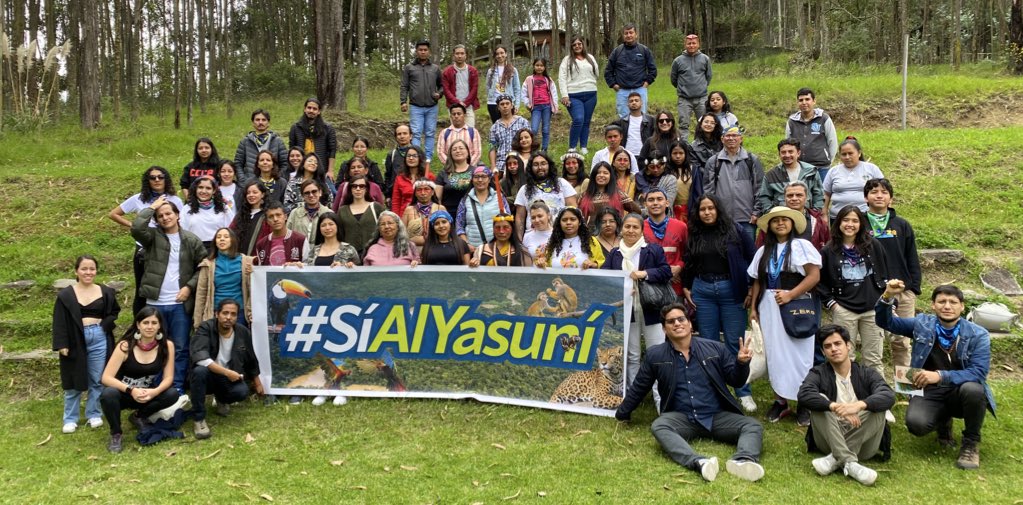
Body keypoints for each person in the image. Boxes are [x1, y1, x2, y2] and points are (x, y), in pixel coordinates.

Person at [615, 304, 763, 483]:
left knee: (753, 426)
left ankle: (742, 461)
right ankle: (699, 462)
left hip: (716, 417)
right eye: (670, 321)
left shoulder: (715, 348)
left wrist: (741, 364)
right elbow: (640, 386)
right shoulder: (655, 355)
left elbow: (736, 381)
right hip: (682, 419)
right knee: (659, 426)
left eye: (681, 319)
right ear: (664, 329)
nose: (677, 323)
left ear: (690, 324)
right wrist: (622, 413)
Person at [876, 282, 996, 470]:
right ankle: (943, 422)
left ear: (962, 306)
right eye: (941, 301)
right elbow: (886, 322)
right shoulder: (922, 323)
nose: (947, 306)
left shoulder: (978, 334)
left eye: (953, 302)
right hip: (927, 390)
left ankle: (970, 443)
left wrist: (939, 376)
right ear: (933, 305)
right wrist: (887, 296)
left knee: (974, 389)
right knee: (916, 425)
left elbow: (978, 372)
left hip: (959, 391)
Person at [682, 194, 757, 411]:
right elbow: (689, 261)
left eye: (711, 208)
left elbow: (753, 258)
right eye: (702, 209)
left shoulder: (736, 230)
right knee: (708, 343)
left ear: (718, 209)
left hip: (731, 290)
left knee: (736, 342)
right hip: (703, 291)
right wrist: (687, 286)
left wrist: (751, 287)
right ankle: (714, 390)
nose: (706, 213)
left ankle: (743, 391)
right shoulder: (694, 233)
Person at [748, 206, 822, 426]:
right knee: (775, 353)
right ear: (769, 226)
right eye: (775, 220)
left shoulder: (801, 246)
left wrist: (791, 295)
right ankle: (780, 401)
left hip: (795, 303)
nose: (780, 223)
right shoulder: (763, 251)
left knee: (800, 354)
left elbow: (814, 275)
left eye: (784, 220)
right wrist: (753, 308)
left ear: (792, 224)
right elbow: (757, 281)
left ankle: (805, 403)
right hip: (768, 306)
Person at [797, 324, 895, 486]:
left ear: (848, 346)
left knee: (876, 406)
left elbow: (888, 395)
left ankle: (836, 459)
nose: (833, 349)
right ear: (823, 352)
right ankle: (850, 463)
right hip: (829, 440)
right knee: (820, 400)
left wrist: (859, 405)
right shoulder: (818, 373)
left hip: (864, 444)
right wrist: (834, 406)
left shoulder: (866, 373)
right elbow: (804, 395)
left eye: (838, 344)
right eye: (828, 346)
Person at [131, 197, 207, 395]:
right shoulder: (152, 237)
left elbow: (204, 267)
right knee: (155, 346)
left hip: (180, 304)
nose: (165, 218)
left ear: (177, 215)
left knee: (180, 347)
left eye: (168, 214)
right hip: (155, 303)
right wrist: (152, 207)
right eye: (160, 216)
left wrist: (189, 287)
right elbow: (137, 228)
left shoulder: (191, 240)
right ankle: (155, 386)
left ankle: (177, 387)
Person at [603, 213, 672, 408]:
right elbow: (604, 276)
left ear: (642, 230)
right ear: (621, 229)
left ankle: (660, 399)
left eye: (635, 227)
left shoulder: (653, 250)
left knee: (656, 354)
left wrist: (645, 274)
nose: (631, 230)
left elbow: (666, 271)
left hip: (652, 310)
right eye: (627, 227)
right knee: (632, 355)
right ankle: (634, 396)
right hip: (628, 312)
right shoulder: (615, 254)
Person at [817, 206, 889, 379]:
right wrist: (832, 304)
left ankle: (878, 400)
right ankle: (847, 398)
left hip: (873, 309)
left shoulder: (873, 245)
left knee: (873, 358)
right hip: (844, 310)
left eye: (855, 221)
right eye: (846, 220)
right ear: (839, 223)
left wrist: (887, 301)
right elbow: (819, 281)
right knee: (844, 357)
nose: (850, 224)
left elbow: (885, 272)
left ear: (861, 224)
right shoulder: (828, 250)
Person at [53, 255, 121, 433]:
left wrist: (105, 326)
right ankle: (70, 418)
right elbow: (59, 321)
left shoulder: (106, 292)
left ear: (96, 271)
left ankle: (94, 414)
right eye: (84, 269)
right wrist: (62, 344)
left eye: (92, 269)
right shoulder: (65, 295)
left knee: (97, 379)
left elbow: (114, 311)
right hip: (75, 339)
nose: (88, 272)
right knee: (73, 379)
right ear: (76, 271)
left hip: (99, 336)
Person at [99, 307, 180, 453]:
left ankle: (139, 416)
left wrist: (155, 392)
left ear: (159, 325)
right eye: (146, 322)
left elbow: (168, 378)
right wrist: (132, 390)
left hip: (147, 393)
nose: (150, 327)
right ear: (138, 325)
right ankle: (116, 433)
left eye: (154, 323)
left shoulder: (167, 346)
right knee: (108, 394)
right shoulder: (125, 346)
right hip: (124, 393)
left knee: (172, 394)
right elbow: (106, 378)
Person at [108, 166, 184, 315]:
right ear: (147, 180)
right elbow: (114, 214)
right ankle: (138, 326)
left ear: (166, 179)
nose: (157, 180)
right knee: (142, 289)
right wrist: (132, 225)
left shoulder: (175, 199)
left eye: (160, 177)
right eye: (152, 177)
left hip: (169, 247)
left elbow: (182, 221)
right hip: (144, 248)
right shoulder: (139, 198)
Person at [303, 213, 360, 407]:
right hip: (319, 303)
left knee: (341, 345)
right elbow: (306, 272)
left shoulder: (348, 249)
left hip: (343, 304)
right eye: (324, 225)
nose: (327, 228)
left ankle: (341, 387)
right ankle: (326, 387)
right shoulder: (314, 250)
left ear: (337, 227)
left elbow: (360, 275)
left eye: (331, 224)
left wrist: (349, 267)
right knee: (322, 347)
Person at [864, 178, 921, 369]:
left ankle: (906, 389)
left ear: (891, 199)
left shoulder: (902, 225)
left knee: (902, 342)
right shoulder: (859, 224)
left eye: (884, 192)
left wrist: (913, 289)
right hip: (873, 290)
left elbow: (912, 257)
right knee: (874, 342)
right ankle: (877, 391)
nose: (879, 195)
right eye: (874, 192)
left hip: (902, 290)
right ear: (866, 198)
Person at [190, 299, 264, 440]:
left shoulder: (242, 332)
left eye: (233, 314)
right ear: (217, 314)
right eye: (225, 313)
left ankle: (221, 399)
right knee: (199, 371)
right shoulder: (205, 328)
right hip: (208, 376)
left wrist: (258, 383)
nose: (229, 317)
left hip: (228, 378)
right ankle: (199, 419)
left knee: (242, 391)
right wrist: (227, 372)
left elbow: (251, 359)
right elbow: (200, 358)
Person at [702, 126, 765, 242]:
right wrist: (713, 214)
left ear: (741, 138)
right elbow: (708, 192)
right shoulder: (714, 161)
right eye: (728, 136)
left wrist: (756, 212)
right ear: (722, 139)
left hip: (747, 219)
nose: (731, 138)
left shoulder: (751, 160)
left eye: (735, 135)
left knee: (748, 254)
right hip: (722, 219)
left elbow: (760, 188)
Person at [193, 228, 253, 329]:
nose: (222, 239)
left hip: (240, 312)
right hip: (216, 312)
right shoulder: (208, 264)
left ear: (232, 240)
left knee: (239, 344)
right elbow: (201, 294)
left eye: (226, 237)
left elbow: (254, 289)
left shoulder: (246, 261)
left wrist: (252, 272)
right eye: (218, 237)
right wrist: (198, 322)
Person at [513, 152, 579, 238]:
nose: (540, 167)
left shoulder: (562, 184)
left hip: (560, 236)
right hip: (533, 238)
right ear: (530, 168)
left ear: (549, 165)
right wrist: (520, 241)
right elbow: (520, 219)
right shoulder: (524, 189)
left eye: (543, 164)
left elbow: (573, 210)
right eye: (536, 165)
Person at [400, 39, 443, 166]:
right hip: (415, 106)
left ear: (429, 52)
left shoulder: (435, 68)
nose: (423, 52)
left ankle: (428, 157)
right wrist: (403, 101)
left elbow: (442, 86)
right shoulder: (409, 67)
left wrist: (439, 94)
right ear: (416, 51)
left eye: (425, 50)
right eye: (420, 50)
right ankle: (417, 155)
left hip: (432, 106)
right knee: (416, 132)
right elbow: (404, 86)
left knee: (430, 132)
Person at [756, 138, 825, 214]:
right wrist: (771, 213)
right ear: (779, 154)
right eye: (783, 152)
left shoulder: (811, 171)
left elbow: (819, 195)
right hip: (781, 218)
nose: (787, 155)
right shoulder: (771, 174)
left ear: (798, 153)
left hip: (806, 216)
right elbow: (764, 197)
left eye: (790, 152)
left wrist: (815, 213)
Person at [756, 181, 830, 251]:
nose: (794, 198)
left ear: (807, 197)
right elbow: (761, 247)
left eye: (799, 195)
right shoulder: (772, 220)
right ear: (784, 198)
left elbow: (828, 248)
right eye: (790, 195)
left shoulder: (817, 221)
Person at [823, 137, 884, 221]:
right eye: (844, 154)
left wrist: (885, 212)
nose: (847, 157)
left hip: (867, 217)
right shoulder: (833, 171)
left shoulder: (871, 169)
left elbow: (884, 191)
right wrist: (824, 214)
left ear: (859, 153)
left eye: (850, 153)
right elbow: (826, 194)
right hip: (838, 218)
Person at [785, 87, 839, 181]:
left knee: (822, 195)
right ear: (797, 103)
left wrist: (828, 161)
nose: (804, 102)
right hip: (800, 168)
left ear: (814, 101)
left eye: (807, 99)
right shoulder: (791, 121)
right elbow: (787, 145)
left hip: (822, 168)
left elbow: (832, 141)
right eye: (801, 100)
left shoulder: (824, 118)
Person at [604, 23, 657, 118]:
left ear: (636, 34)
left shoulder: (643, 50)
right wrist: (613, 85)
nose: (629, 35)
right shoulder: (617, 51)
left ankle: (641, 133)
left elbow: (653, 70)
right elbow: (608, 71)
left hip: (640, 89)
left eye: (631, 32)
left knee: (642, 117)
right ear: (623, 35)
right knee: (624, 118)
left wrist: (646, 84)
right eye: (626, 33)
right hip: (622, 91)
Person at [558, 37, 600, 153]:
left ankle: (583, 147)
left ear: (583, 45)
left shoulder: (590, 58)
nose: (577, 46)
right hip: (574, 95)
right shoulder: (567, 60)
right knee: (578, 119)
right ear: (571, 47)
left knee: (586, 121)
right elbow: (562, 78)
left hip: (591, 93)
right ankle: (572, 147)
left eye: (579, 44)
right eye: (574, 44)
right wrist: (564, 95)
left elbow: (597, 73)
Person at [642, 188, 687, 290]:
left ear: (667, 203)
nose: (655, 203)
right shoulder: (639, 228)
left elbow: (688, 253)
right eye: (651, 200)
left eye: (659, 199)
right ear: (645, 204)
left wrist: (680, 267)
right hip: (649, 286)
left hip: (675, 285)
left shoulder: (681, 227)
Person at [670, 34, 712, 140]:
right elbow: (673, 79)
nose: (691, 45)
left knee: (704, 124)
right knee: (683, 124)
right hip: (684, 99)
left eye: (694, 43)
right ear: (685, 45)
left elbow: (708, 76)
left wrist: (701, 87)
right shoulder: (678, 61)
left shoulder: (705, 59)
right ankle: (684, 147)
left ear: (698, 44)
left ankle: (703, 144)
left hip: (702, 98)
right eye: (689, 43)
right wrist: (683, 88)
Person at [456, 166, 509, 248]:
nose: (480, 180)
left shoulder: (499, 197)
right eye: (476, 177)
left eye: (484, 177)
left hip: (497, 247)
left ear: (489, 179)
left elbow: (508, 221)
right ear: (472, 180)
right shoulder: (465, 200)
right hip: (473, 249)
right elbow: (459, 226)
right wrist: (466, 244)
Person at [535, 207, 604, 269]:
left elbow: (602, 263)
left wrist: (594, 264)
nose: (568, 222)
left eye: (573, 219)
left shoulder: (590, 241)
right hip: (558, 282)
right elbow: (545, 266)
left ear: (579, 222)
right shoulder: (553, 244)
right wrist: (541, 264)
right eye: (564, 220)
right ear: (560, 223)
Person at [338, 175, 389, 259]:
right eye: (354, 186)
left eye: (362, 186)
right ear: (350, 189)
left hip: (374, 254)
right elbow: (339, 235)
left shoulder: (376, 207)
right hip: (349, 256)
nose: (358, 189)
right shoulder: (342, 211)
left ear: (366, 189)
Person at [289, 98, 338, 182]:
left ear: (319, 111)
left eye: (314, 109)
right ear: (305, 109)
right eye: (309, 108)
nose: (311, 111)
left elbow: (332, 150)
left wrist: (330, 171)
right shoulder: (296, 128)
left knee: (331, 192)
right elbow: (292, 149)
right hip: (301, 169)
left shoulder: (328, 128)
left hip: (322, 169)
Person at [181, 176, 235, 254]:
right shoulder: (187, 209)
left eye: (208, 188)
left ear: (214, 190)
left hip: (219, 251)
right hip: (195, 251)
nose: (204, 191)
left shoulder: (224, 208)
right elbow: (183, 233)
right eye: (200, 187)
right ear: (195, 189)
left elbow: (231, 231)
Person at [577, 162, 638, 228]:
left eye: (605, 173)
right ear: (593, 175)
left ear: (610, 176)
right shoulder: (585, 195)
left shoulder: (619, 194)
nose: (601, 175)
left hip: (614, 235)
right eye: (598, 173)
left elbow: (637, 211)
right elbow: (578, 216)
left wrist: (624, 224)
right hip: (591, 235)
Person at [234, 108, 289, 182]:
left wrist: (277, 179)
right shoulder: (245, 142)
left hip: (272, 183)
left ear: (268, 123)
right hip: (251, 185)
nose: (260, 122)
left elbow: (285, 163)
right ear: (253, 123)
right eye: (257, 120)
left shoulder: (277, 141)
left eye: (263, 120)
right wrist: (244, 181)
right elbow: (238, 164)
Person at [253, 202, 307, 267]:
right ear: (267, 221)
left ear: (285, 217)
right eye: (271, 217)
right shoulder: (261, 244)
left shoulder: (300, 240)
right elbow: (260, 271)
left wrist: (299, 265)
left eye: (278, 215)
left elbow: (310, 266)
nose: (275, 219)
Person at [523, 58, 559, 151]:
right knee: (534, 129)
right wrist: (527, 103)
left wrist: (554, 106)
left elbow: (553, 93)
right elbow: (524, 93)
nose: (539, 68)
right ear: (534, 66)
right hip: (536, 107)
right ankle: (532, 148)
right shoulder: (529, 79)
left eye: (541, 66)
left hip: (547, 106)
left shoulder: (548, 80)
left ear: (545, 67)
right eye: (537, 65)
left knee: (545, 129)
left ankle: (544, 149)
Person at [488, 95, 531, 173]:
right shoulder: (494, 127)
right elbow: (492, 148)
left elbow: (530, 142)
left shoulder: (522, 122)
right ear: (498, 107)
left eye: (507, 103)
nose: (505, 106)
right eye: (502, 104)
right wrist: (493, 166)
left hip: (520, 161)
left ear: (512, 105)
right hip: (501, 164)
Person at [441, 44, 480, 128]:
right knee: (455, 132)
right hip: (453, 107)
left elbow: (474, 89)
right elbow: (446, 90)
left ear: (466, 55)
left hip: (468, 106)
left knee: (470, 131)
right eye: (457, 53)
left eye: (462, 53)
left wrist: (465, 103)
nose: (459, 56)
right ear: (453, 55)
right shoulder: (447, 72)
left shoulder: (473, 71)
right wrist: (457, 103)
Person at [231, 180, 272, 256]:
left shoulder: (268, 215)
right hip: (239, 259)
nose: (251, 195)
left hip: (260, 260)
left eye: (255, 192)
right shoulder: (241, 214)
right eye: (248, 193)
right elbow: (231, 233)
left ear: (262, 194)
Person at [391, 146, 436, 215]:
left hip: (426, 214)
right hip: (405, 214)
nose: (411, 158)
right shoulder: (400, 177)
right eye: (408, 156)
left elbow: (435, 197)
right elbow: (396, 201)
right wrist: (396, 219)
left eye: (414, 156)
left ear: (420, 158)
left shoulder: (429, 176)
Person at [286, 179, 332, 245]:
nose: (311, 195)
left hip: (321, 252)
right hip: (299, 252)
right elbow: (287, 236)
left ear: (320, 192)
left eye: (314, 191)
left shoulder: (329, 213)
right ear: (302, 196)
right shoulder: (294, 213)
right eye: (307, 193)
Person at [612, 92, 655, 160]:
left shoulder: (651, 120)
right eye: (631, 101)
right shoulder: (621, 122)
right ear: (627, 104)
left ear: (641, 103)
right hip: (627, 156)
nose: (634, 103)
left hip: (645, 155)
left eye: (636, 100)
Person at [403, 179, 445, 249]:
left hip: (437, 249)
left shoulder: (440, 209)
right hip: (413, 250)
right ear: (415, 193)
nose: (423, 193)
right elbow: (402, 233)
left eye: (426, 189)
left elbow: (447, 231)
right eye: (419, 190)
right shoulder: (409, 210)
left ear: (432, 192)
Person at [484, 45, 522, 122]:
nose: (500, 56)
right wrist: (491, 96)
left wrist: (517, 104)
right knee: (497, 127)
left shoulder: (513, 70)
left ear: (506, 54)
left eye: (502, 53)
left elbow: (517, 88)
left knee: (509, 126)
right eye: (497, 54)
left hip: (508, 103)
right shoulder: (490, 71)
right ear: (495, 56)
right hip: (493, 103)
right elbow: (488, 86)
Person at [435, 139, 474, 211]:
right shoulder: (443, 173)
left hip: (470, 213)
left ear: (468, 152)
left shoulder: (475, 172)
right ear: (450, 154)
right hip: (448, 213)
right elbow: (437, 199)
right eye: (454, 149)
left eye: (461, 148)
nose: (458, 151)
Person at [665, 141, 700, 219]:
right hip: (671, 210)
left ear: (686, 154)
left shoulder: (693, 169)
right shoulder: (666, 171)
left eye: (681, 153)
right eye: (675, 153)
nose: (678, 156)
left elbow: (698, 192)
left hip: (690, 210)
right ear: (670, 154)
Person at [383, 124, 414, 198]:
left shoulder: (417, 153)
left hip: (413, 193)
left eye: (405, 133)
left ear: (411, 136)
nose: (402, 136)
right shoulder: (392, 154)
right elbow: (388, 176)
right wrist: (388, 196)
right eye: (399, 134)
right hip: (396, 194)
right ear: (396, 137)